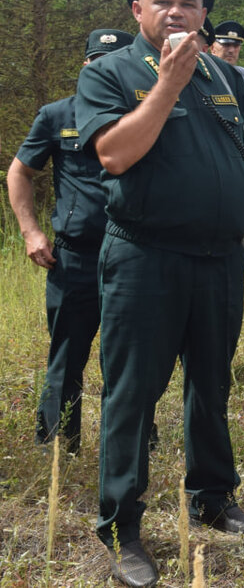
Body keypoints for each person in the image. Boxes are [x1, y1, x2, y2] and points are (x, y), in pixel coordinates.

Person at [74, 0, 244, 587]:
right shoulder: (110, 72)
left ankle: (214, 499)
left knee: (211, 384)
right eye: (162, 0)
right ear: (138, 8)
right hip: (145, 257)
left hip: (220, 256)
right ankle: (121, 528)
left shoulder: (225, 79)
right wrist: (166, 83)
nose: (177, 11)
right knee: (132, 394)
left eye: (190, 2)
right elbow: (113, 155)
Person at [8, 29, 132, 456]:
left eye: (113, 63)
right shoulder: (57, 115)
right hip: (75, 256)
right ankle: (59, 440)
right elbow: (19, 172)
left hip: (134, 254)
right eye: (97, 61)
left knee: (132, 356)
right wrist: (30, 231)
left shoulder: (143, 116)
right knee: (67, 352)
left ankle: (132, 438)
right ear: (86, 66)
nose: (104, 69)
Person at [211, 20, 244, 96]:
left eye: (236, 46)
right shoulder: (206, 75)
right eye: (226, 45)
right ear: (213, 48)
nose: (231, 50)